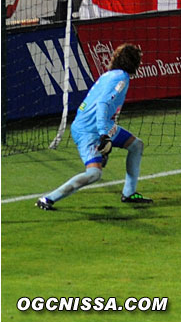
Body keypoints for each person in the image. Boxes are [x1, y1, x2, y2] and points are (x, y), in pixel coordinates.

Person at [36, 44, 152, 210]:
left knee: (136, 145)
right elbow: (103, 104)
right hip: (89, 130)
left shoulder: (109, 75)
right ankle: (48, 198)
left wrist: (106, 132)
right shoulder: (121, 78)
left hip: (100, 124)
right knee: (94, 173)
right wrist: (104, 136)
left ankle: (129, 193)